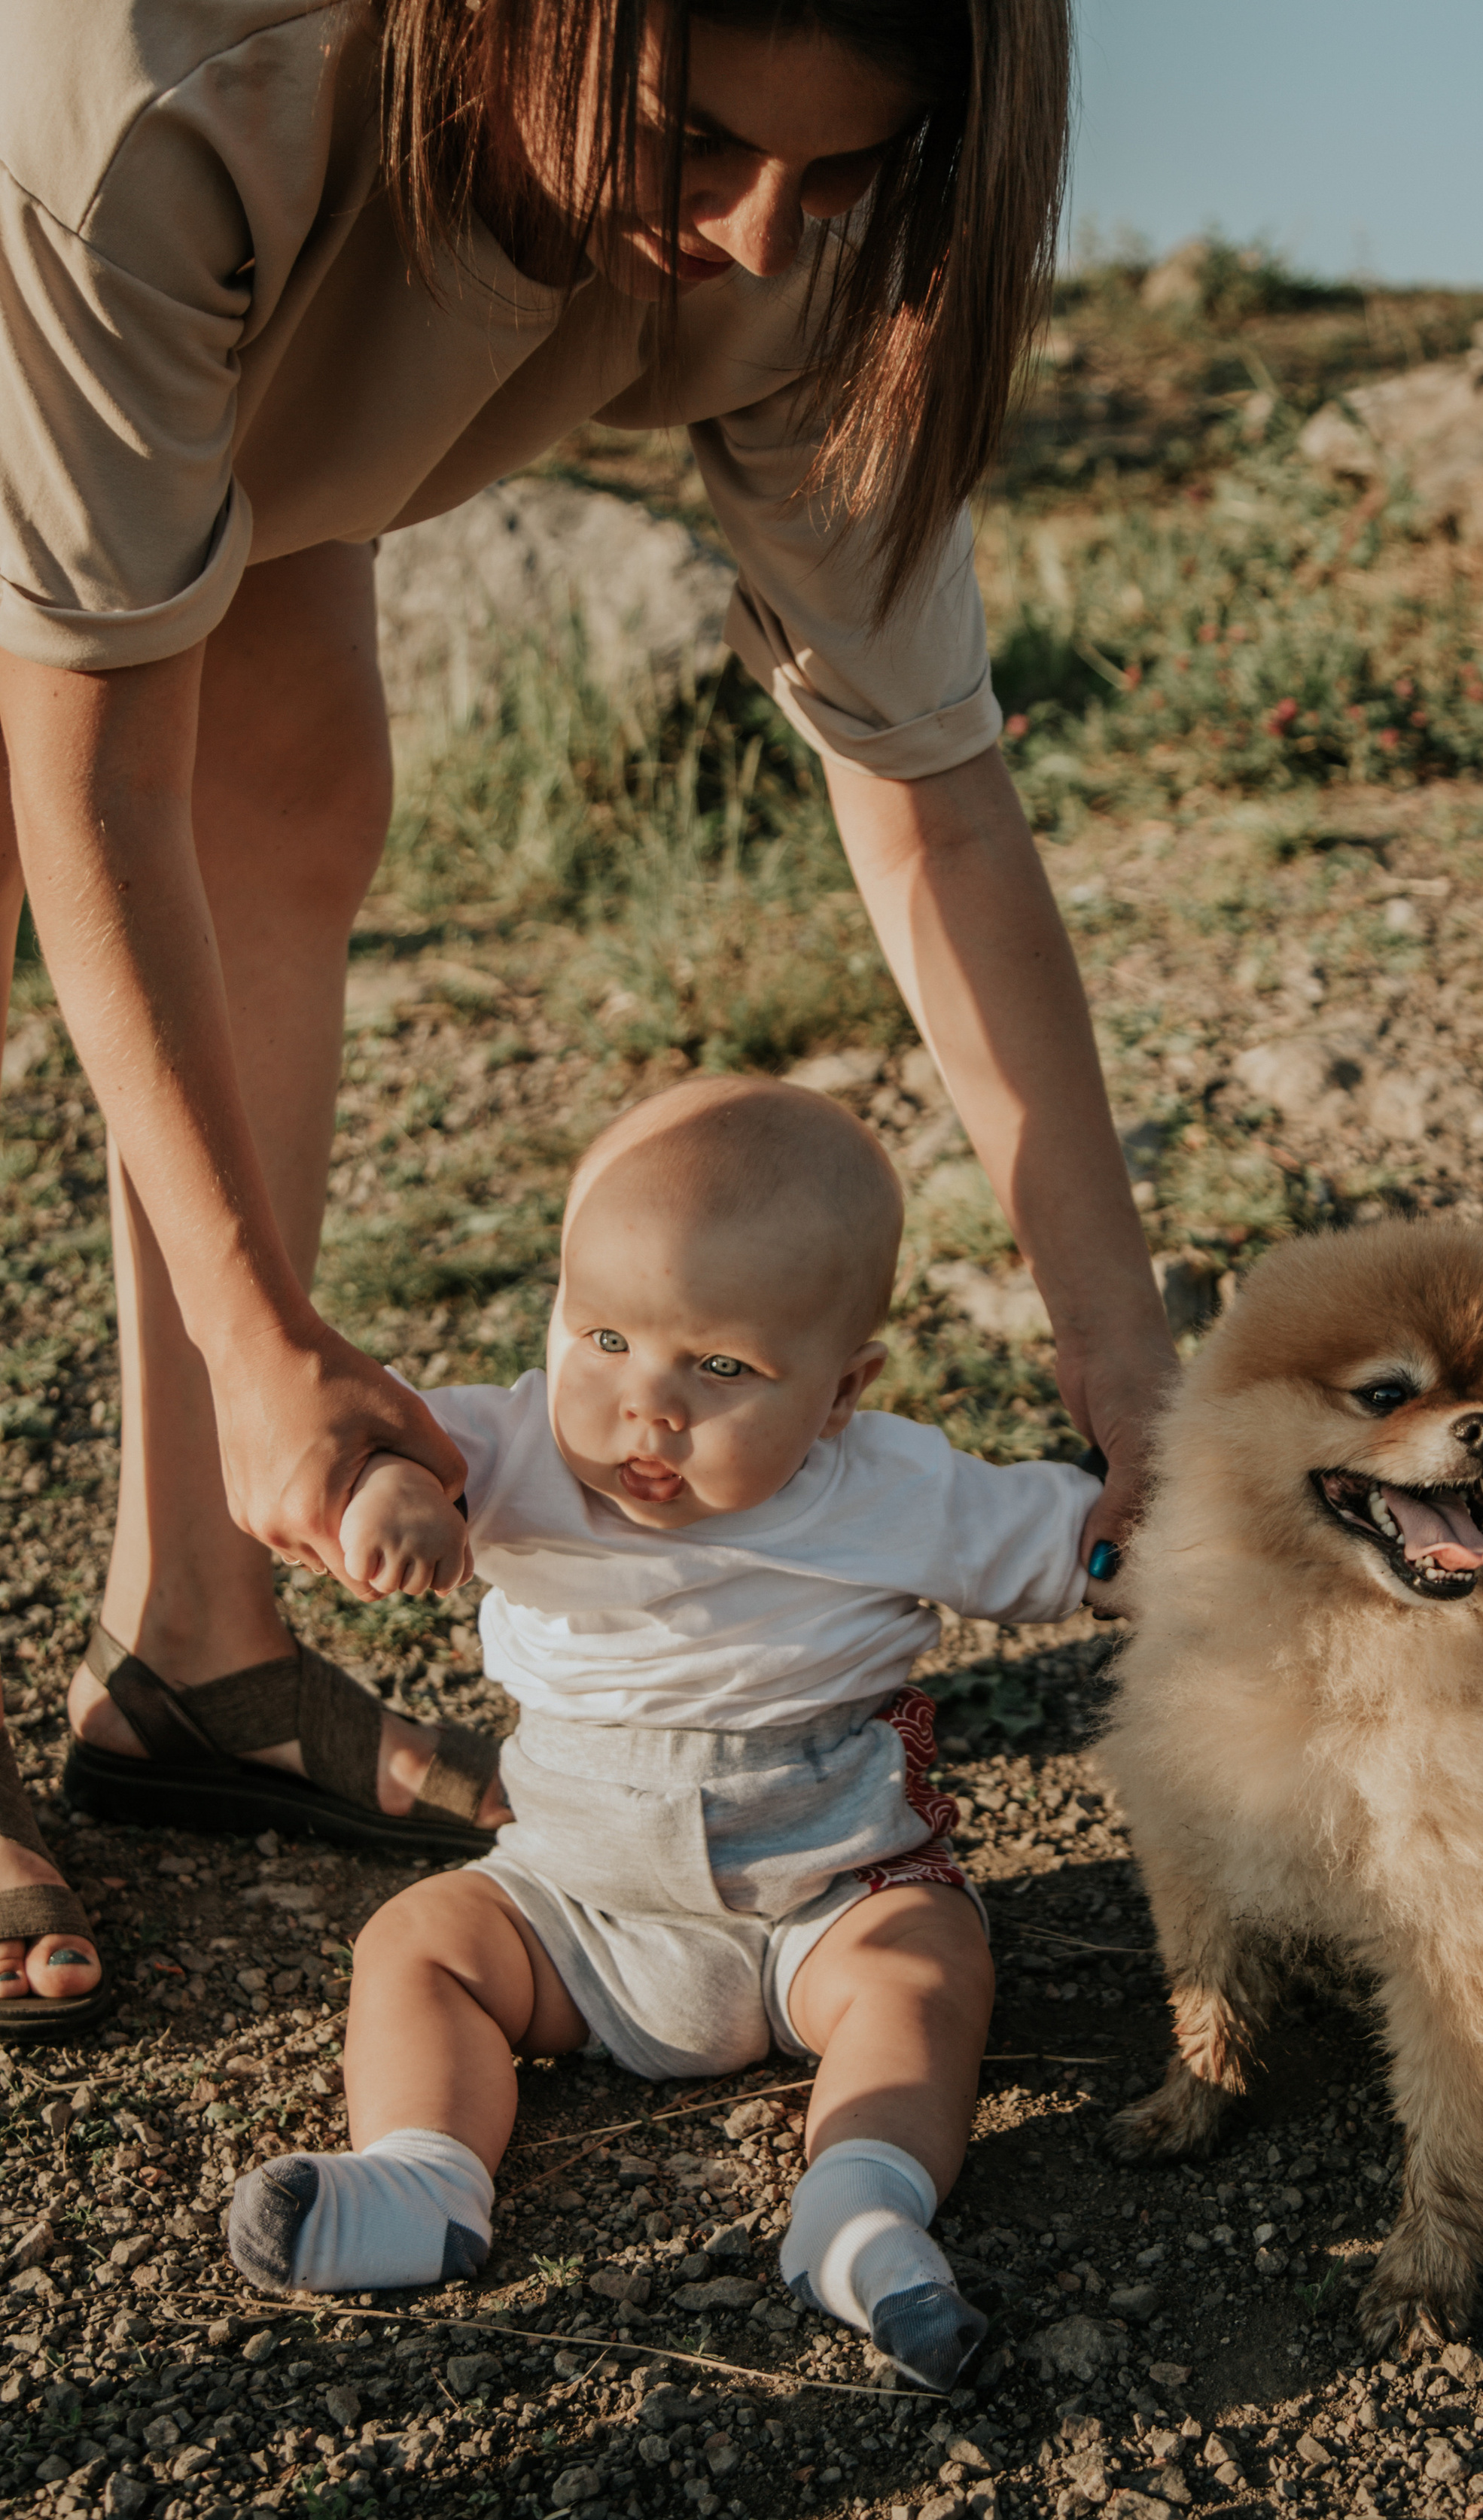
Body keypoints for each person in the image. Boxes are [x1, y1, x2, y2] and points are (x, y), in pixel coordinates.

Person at [0, 0, 1176, 2037]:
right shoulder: (173, 83)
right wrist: (258, 1335)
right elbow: (90, 772)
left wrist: (1126, 1350)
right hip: (67, 271)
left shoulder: (805, 240)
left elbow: (933, 809)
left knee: (291, 793)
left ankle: (196, 1635)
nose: (746, 235)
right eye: (693, 143)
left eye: (836, 174)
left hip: (275, 336)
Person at [227, 1077, 1110, 2391]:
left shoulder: (897, 1488)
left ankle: (859, 2207)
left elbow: (1083, 1543)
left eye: (720, 1368)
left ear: (839, 1391)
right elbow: (382, 1430)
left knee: (929, 1969)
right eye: (603, 1339)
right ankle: (426, 2175)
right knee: (418, 1943)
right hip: (572, 1912)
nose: (647, 1408)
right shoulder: (514, 1444)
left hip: (825, 1899)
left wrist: (1185, 1548)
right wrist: (395, 1489)